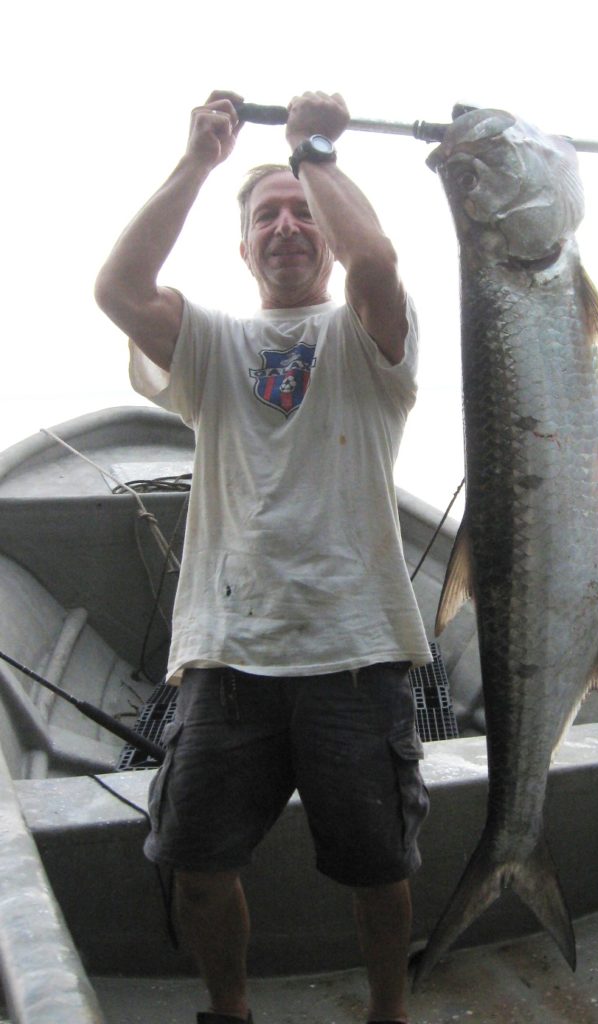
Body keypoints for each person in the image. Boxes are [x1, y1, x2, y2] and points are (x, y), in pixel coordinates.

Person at [94, 89, 433, 1024]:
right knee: (194, 864)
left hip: (355, 657)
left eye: (301, 212)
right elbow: (118, 290)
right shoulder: (212, 344)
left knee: (379, 867)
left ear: (324, 229)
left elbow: (378, 259)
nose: (287, 226)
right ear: (243, 248)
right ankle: (231, 1012)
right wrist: (200, 160)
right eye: (266, 217)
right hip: (226, 659)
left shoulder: (368, 337)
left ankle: (388, 1015)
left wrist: (311, 150)